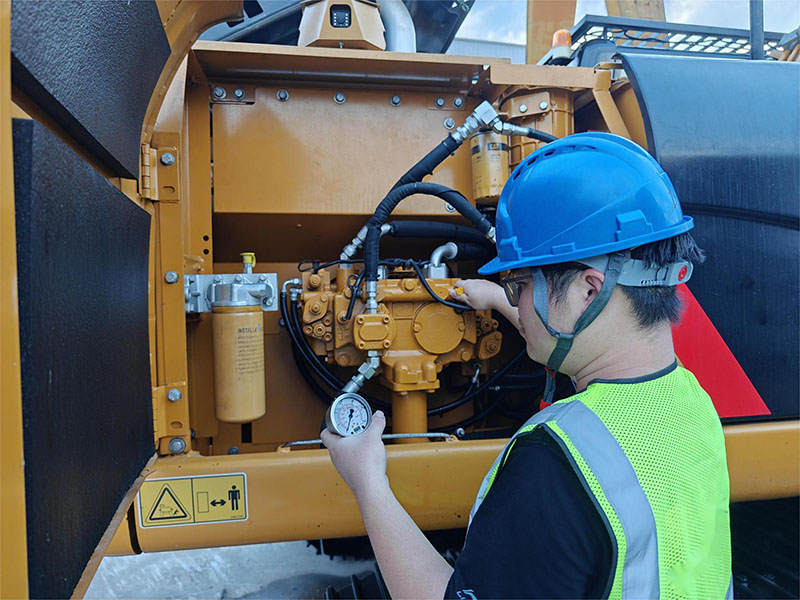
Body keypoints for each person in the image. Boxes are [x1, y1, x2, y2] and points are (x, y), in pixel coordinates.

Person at [321, 133, 732, 599]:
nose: (516, 298)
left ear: (590, 290)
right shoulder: (694, 404)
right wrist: (499, 298)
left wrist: (367, 482)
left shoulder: (554, 462)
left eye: (520, 284)